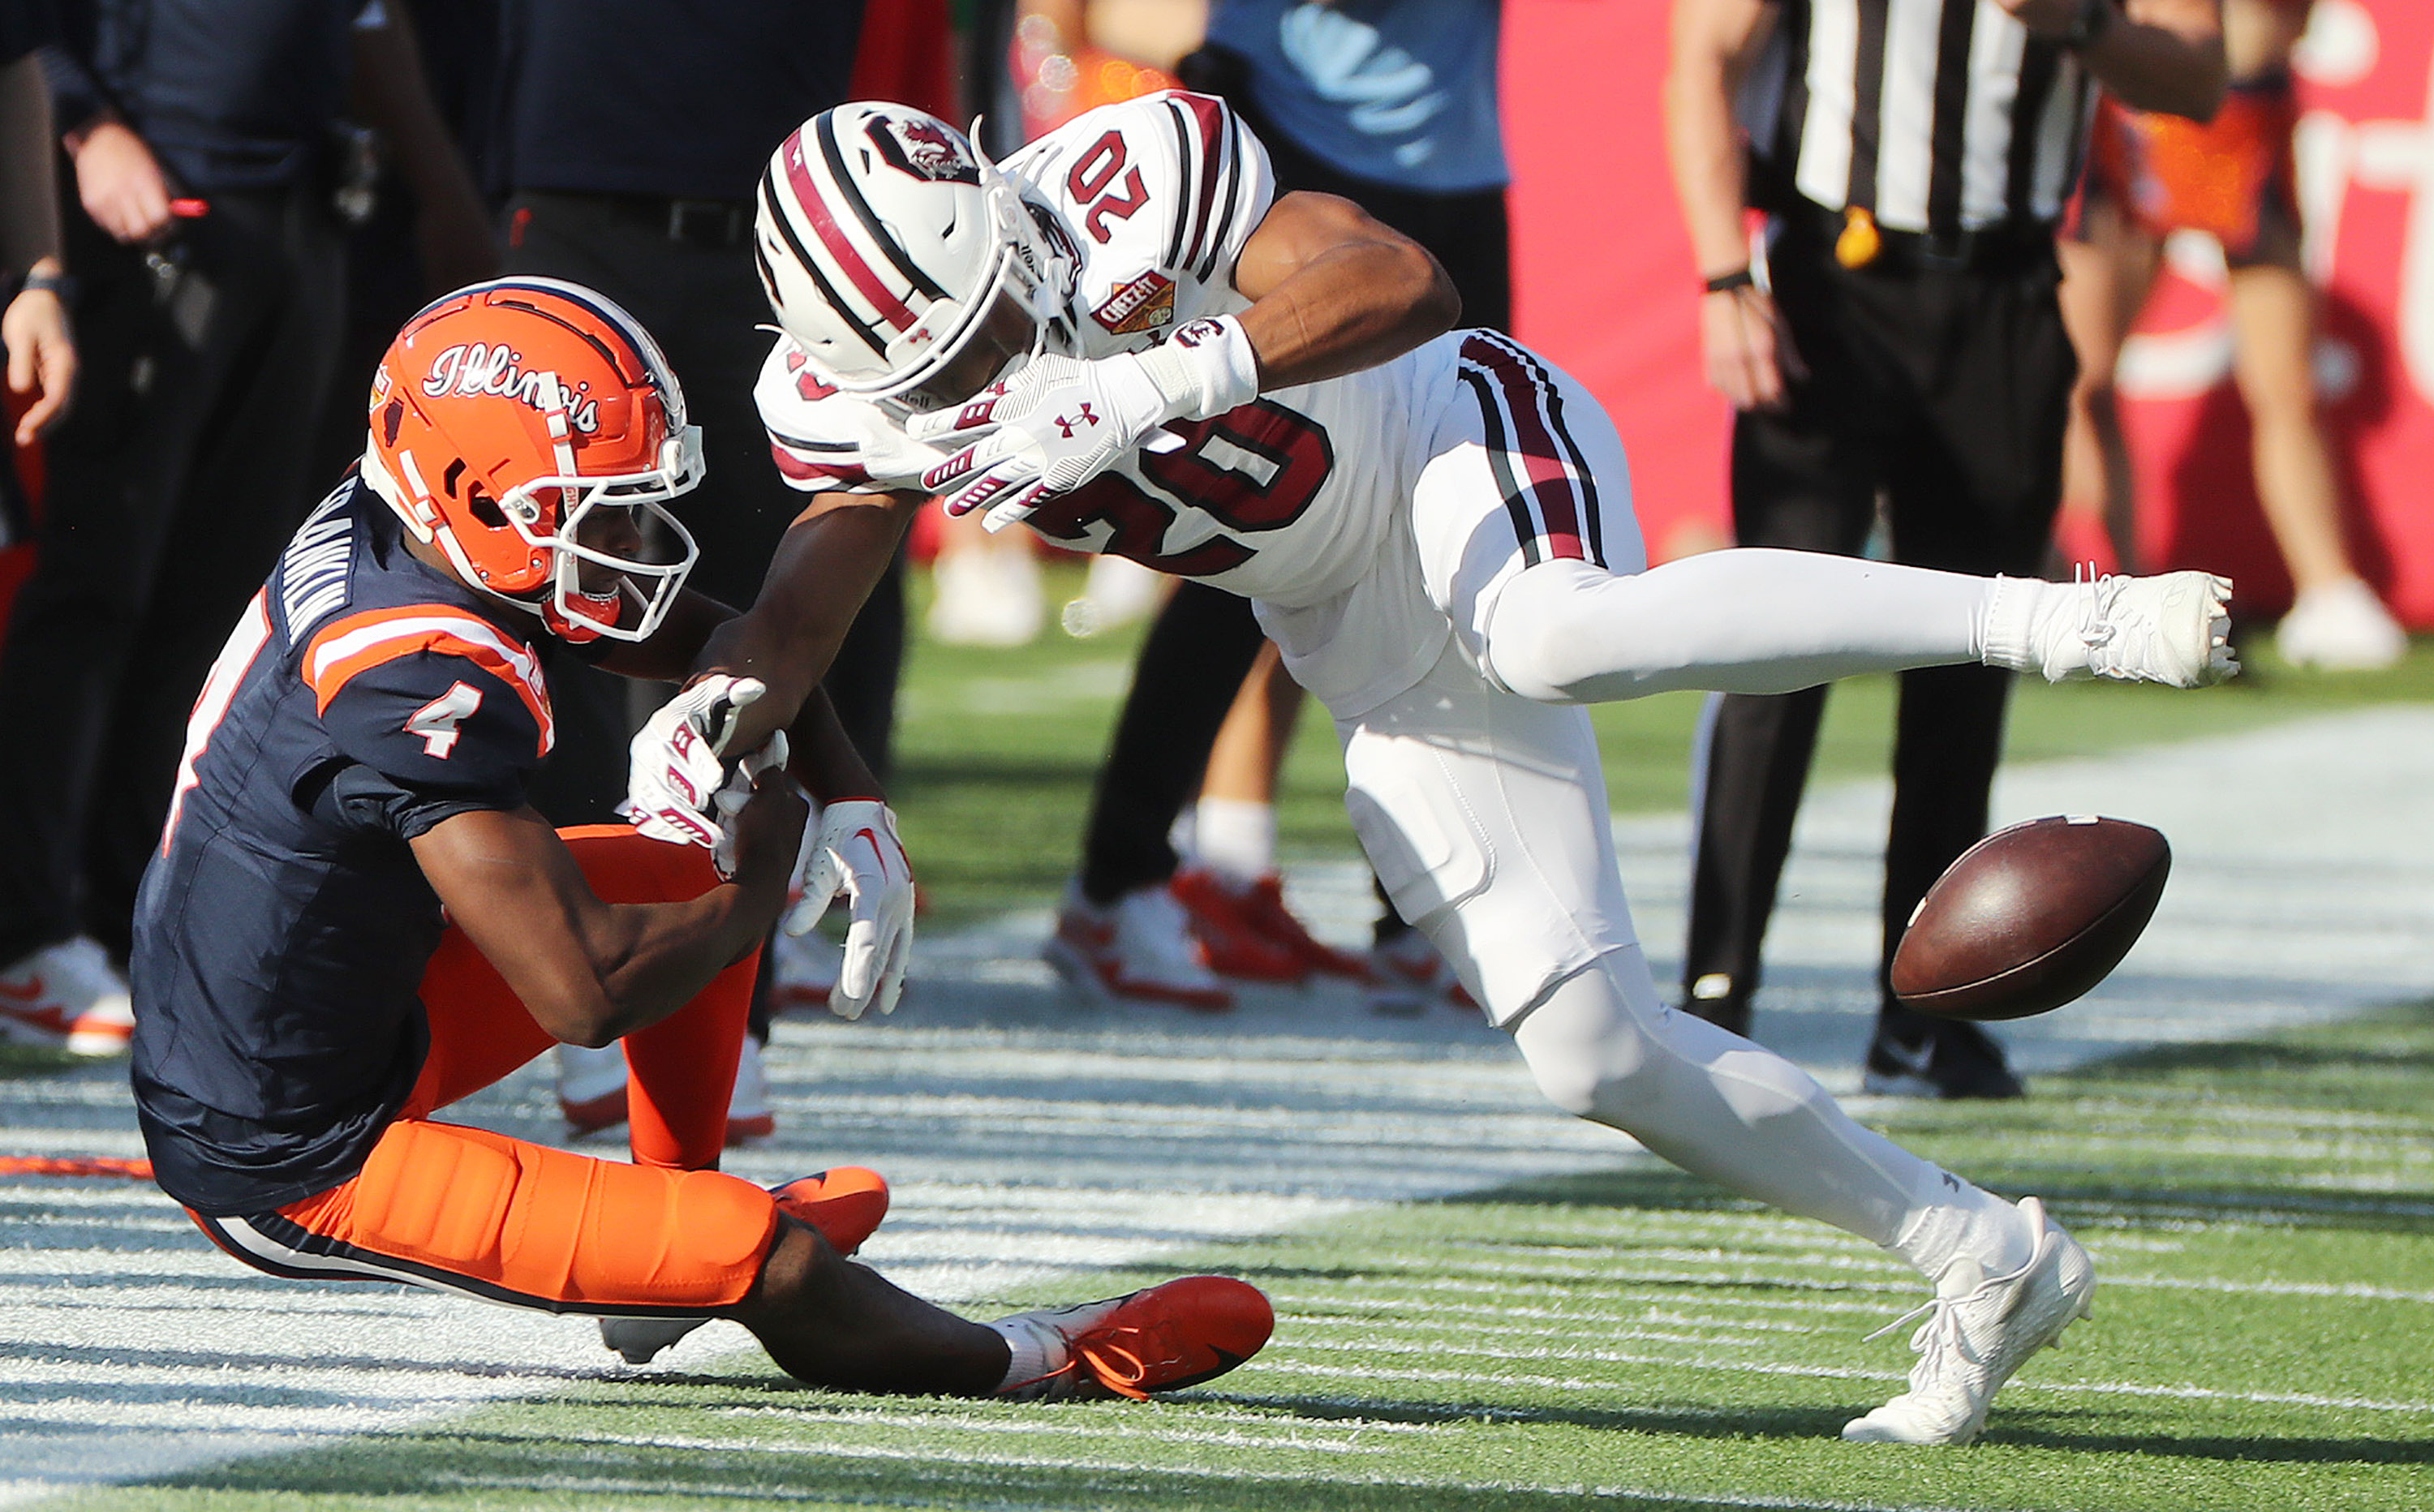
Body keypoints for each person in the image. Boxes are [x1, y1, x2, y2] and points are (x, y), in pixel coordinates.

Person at [630, 96, 2234, 1444]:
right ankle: (1984, 1253)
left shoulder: (1129, 180)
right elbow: (803, 606)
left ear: (996, 205)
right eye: (932, 366)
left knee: (1551, 628)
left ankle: (2062, 615)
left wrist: (1150, 378)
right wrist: (737, 735)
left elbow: (1405, 277)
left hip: (1450, 429)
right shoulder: (843, 396)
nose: (974, 366)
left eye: (986, 318)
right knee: (1594, 1052)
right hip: (1351, 625)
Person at [131, 276, 1272, 1396]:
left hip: (338, 1014)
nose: (630, 532)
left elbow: (714, 640)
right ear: (478, 491)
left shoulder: (408, 515)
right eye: (598, 504)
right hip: (292, 1154)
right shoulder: (404, 672)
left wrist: (849, 792)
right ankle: (1042, 1358)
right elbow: (586, 994)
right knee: (764, 1255)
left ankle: (658, 1239)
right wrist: (764, 881)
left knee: (689, 866)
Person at [1665, 0, 2229, 1098]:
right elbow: (1704, 58)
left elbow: (2197, 78)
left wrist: (2075, 19)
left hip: (2007, 291)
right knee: (1775, 651)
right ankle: (1714, 1001)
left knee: (1972, 662)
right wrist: (1723, 275)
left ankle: (1929, 1011)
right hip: (1831, 276)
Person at [488, 0, 954, 1130]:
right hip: (574, 213)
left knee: (765, 615)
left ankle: (722, 1007)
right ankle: (564, 962)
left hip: (780, 246)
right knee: (545, 590)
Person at [0, 0, 493, 1060]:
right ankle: (28, 927)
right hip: (151, 190)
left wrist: (428, 185)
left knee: (228, 600)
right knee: (101, 582)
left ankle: (145, 912)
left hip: (299, 200)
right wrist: (86, 125)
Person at [1053, 0, 1513, 1015]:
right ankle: (1116, 881)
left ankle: (1424, 914)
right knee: (1246, 530)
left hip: (1456, 159)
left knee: (1462, 542)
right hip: (1298, 140)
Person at [2060, 0, 2404, 671]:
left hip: (2244, 117)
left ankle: (2329, 590)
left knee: (2288, 385)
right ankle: (2120, 586)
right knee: (2084, 377)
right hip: (2136, 116)